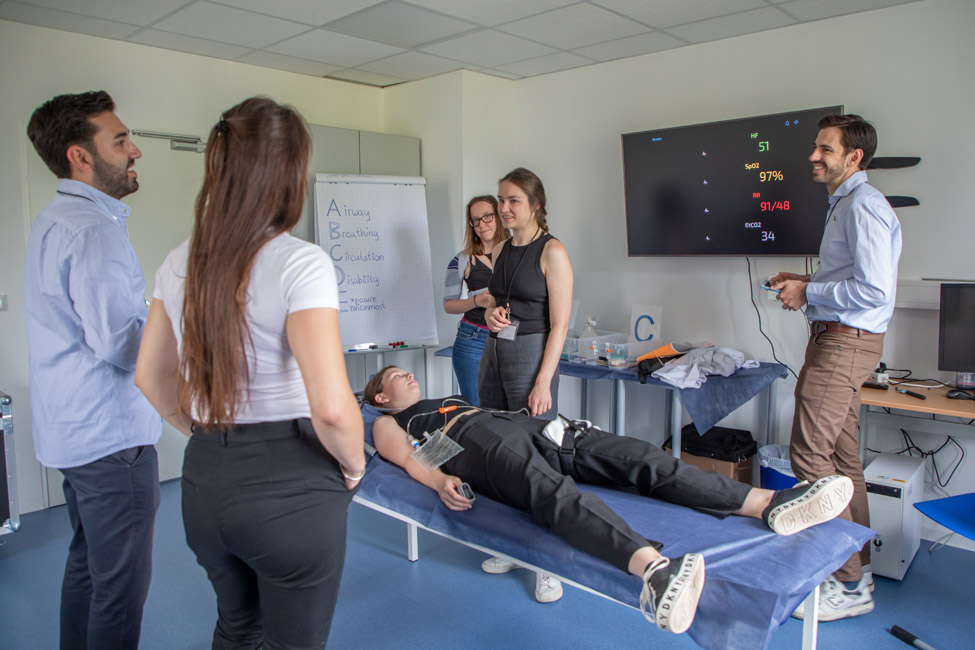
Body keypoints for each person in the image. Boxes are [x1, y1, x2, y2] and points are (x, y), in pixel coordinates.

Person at [365, 366, 854, 636]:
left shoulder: (446, 397)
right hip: (473, 443)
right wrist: (439, 483)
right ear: (380, 398)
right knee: (551, 493)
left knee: (641, 458)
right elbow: (408, 459)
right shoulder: (391, 422)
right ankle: (655, 573)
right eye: (394, 375)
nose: (407, 375)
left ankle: (768, 503)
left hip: (524, 425)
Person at [134, 97, 365, 649]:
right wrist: (355, 466)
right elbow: (332, 408)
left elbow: (150, 376)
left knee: (237, 629)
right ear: (290, 174)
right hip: (290, 484)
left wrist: (205, 436)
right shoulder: (300, 263)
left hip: (205, 481)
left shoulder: (179, 261)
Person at [24, 91, 162, 650]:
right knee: (120, 587)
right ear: (80, 156)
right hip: (112, 442)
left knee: (89, 564)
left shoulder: (55, 219)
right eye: (121, 140)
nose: (135, 151)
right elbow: (123, 344)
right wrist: (180, 324)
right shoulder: (93, 230)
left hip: (75, 434)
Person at [770, 114, 902, 622]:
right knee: (844, 462)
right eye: (816, 147)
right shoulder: (845, 203)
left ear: (854, 157)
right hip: (839, 340)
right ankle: (858, 571)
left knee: (809, 457)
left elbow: (874, 291)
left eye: (825, 149)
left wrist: (811, 291)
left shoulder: (863, 205)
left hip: (844, 345)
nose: (813, 156)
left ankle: (847, 584)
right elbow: (853, 276)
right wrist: (806, 281)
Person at [478, 167, 573, 600]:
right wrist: (490, 315)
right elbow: (496, 302)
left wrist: (543, 382)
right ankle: (514, 546)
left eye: (513, 200)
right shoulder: (500, 248)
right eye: (501, 199)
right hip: (495, 353)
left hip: (532, 354)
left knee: (538, 456)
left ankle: (548, 563)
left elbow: (560, 325)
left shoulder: (552, 251)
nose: (504, 208)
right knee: (500, 449)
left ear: (535, 205)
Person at [443, 195, 509, 405]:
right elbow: (448, 305)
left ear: (499, 216)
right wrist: (476, 301)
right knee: (476, 410)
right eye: (475, 220)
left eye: (487, 216)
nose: (481, 224)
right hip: (473, 339)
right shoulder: (462, 260)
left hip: (511, 339)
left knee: (509, 410)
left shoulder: (518, 254)